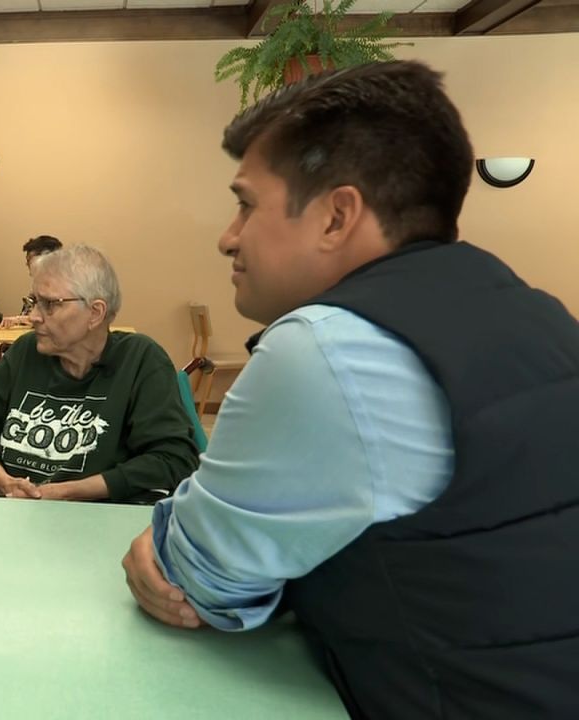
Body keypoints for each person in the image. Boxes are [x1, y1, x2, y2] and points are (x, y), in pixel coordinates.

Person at [121, 61, 579, 718]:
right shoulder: (542, 314)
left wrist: (173, 543)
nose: (228, 237)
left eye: (246, 203)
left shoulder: (327, 349)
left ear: (337, 217)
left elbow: (197, 582)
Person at [0, 245, 200, 503]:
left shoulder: (140, 360)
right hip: (11, 513)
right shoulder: (26, 351)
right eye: (34, 302)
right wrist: (4, 483)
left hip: (97, 521)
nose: (35, 317)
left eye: (49, 304)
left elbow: (173, 458)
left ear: (95, 313)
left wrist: (65, 492)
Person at [0, 235, 63, 396]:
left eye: (30, 260)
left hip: (50, 348)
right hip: (34, 342)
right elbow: (31, 315)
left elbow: (52, 317)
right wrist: (20, 320)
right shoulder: (41, 286)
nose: (28, 266)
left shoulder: (60, 287)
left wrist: (20, 319)